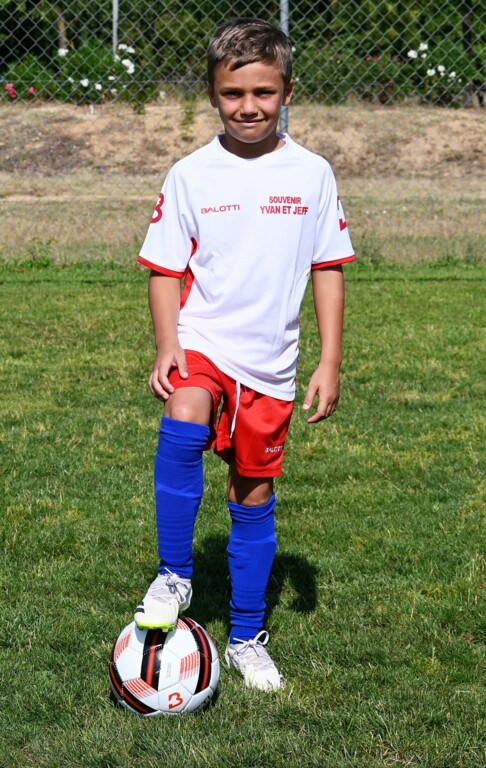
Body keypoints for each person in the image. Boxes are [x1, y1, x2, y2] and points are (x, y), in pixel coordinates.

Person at [135, 17, 355, 691]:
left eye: (263, 92)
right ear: (212, 94)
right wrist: (168, 345)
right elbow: (165, 270)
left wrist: (329, 360)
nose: (249, 106)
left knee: (251, 493)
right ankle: (175, 574)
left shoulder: (312, 174)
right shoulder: (191, 174)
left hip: (271, 365)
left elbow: (328, 267)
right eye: (233, 93)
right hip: (203, 341)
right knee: (184, 412)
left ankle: (245, 637)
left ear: (287, 91)